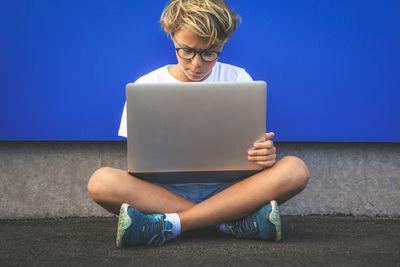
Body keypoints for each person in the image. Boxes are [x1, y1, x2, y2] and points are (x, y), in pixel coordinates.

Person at [87, 0, 310, 248]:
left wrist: (264, 154)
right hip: (164, 193)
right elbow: (138, 161)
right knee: (101, 182)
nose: (197, 64)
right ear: (172, 36)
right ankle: (230, 223)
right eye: (186, 51)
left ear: (223, 44)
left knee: (295, 170)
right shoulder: (145, 86)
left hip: (231, 190)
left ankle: (168, 225)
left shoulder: (238, 79)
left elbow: (252, 147)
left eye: (209, 53)